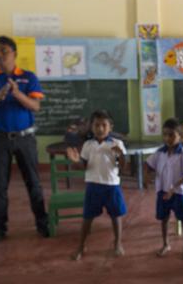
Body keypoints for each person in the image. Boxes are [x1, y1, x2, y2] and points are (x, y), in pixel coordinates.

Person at [0, 35, 49, 245]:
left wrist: (16, 93)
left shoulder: (28, 77)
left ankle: (42, 223)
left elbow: (35, 106)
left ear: (14, 53)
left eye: (4, 51)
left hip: (25, 138)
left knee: (34, 183)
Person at [65, 110, 127, 261]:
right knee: (87, 217)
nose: (100, 128)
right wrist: (75, 162)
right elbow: (83, 165)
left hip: (111, 186)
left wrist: (121, 155)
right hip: (93, 185)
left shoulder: (116, 144)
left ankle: (118, 243)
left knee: (116, 215)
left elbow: (122, 168)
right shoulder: (88, 145)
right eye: (96, 125)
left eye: (104, 125)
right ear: (91, 127)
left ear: (110, 127)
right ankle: (81, 246)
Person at [146, 118, 183, 259]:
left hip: (178, 193)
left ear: (180, 136)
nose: (168, 138)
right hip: (162, 191)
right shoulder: (159, 152)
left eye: (172, 135)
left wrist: (174, 188)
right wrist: (146, 176)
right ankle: (165, 244)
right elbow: (148, 164)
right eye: (165, 134)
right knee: (164, 219)